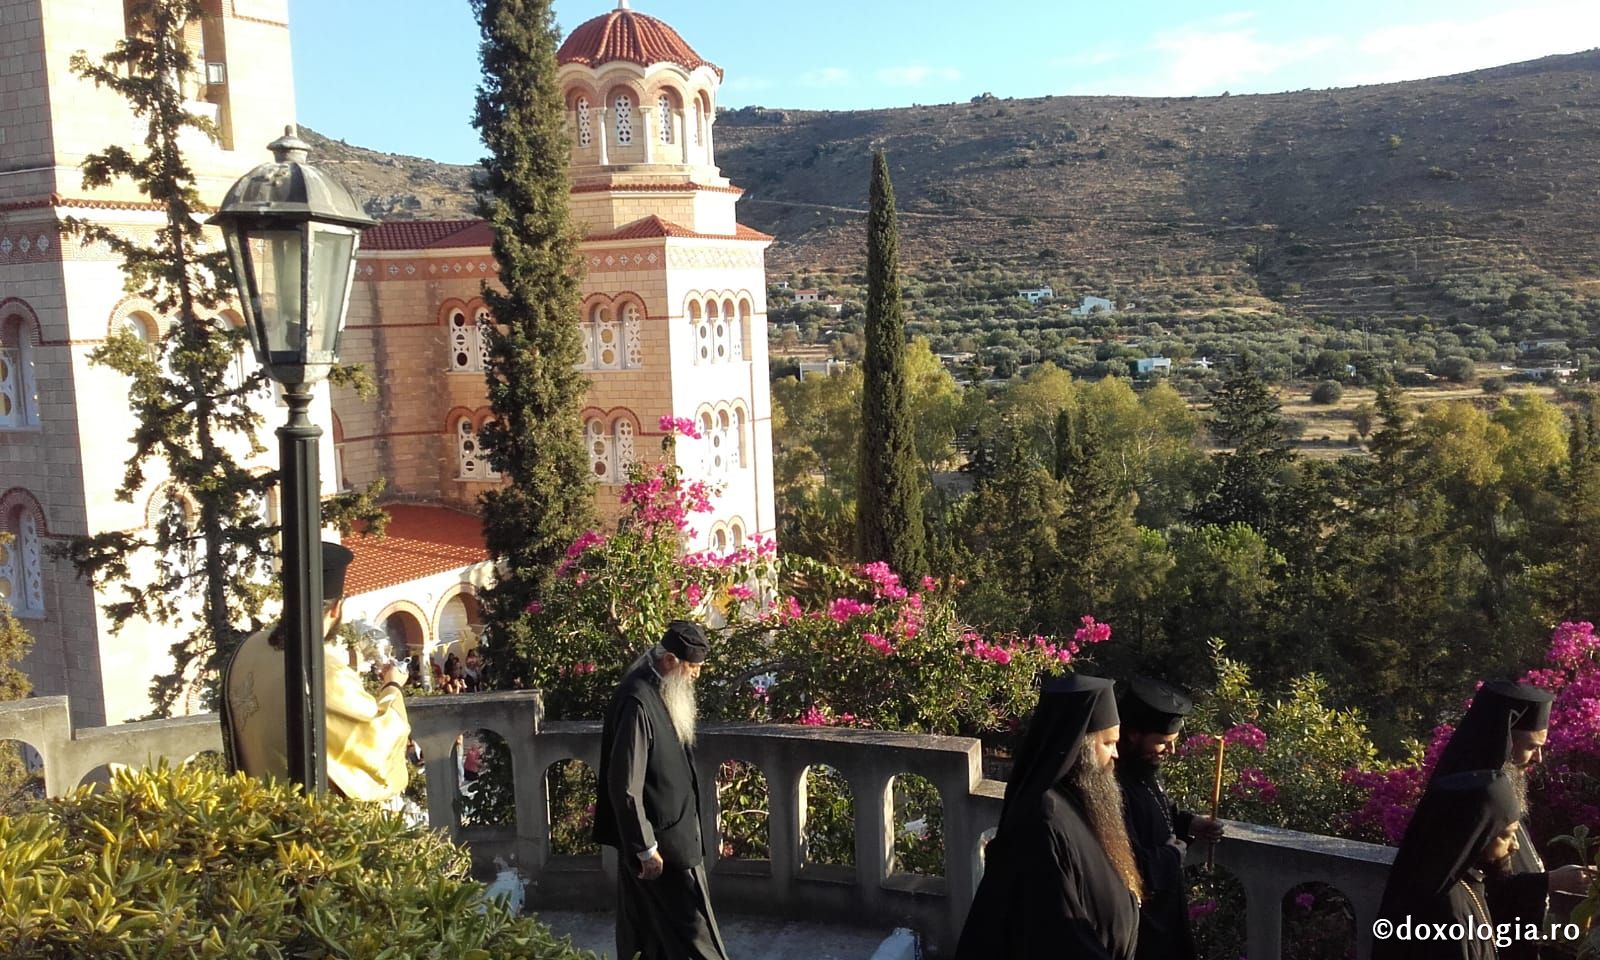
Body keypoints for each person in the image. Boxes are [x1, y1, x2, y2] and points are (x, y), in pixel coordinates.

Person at [954, 674, 1142, 960]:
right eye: (1108, 743)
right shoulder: (1043, 818)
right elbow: (1055, 934)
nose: (1116, 754)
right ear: (1083, 746)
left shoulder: (1086, 803)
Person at [221, 542, 412, 801]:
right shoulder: (323, 672)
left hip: (251, 818)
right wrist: (393, 687)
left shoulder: (247, 649)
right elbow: (378, 745)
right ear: (336, 608)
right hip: (300, 827)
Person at [594, 620, 729, 960]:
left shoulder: (660, 689)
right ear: (669, 661)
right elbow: (624, 784)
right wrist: (645, 848)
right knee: (695, 936)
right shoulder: (638, 701)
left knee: (655, 939)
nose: (696, 675)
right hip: (660, 849)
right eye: (692, 667)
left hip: (672, 839)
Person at [1429, 680, 1593, 958]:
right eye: (1531, 746)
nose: (1539, 758)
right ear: (1503, 742)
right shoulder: (1474, 801)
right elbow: (1475, 888)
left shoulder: (1504, 787)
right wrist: (1548, 882)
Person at [1115, 677, 1225, 960]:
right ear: (1133, 735)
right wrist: (1172, 855)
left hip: (1166, 915)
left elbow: (1159, 811)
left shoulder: (1143, 771)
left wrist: (1190, 824)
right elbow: (1129, 864)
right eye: (1163, 743)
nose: (1172, 752)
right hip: (1142, 927)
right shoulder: (1113, 785)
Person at [1374, 769, 1524, 960]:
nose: (1515, 846)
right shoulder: (1446, 909)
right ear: (1476, 835)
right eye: (1506, 835)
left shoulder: (1467, 883)